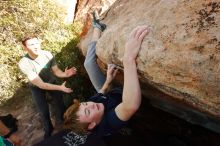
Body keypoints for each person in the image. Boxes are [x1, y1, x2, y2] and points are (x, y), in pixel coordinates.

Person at [64, 12, 149, 137]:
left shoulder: (93, 105)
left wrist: (108, 80)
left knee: (88, 64)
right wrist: (128, 59)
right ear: (92, 124)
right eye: (88, 111)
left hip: (112, 92)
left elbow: (100, 94)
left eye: (85, 104)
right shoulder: (109, 122)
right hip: (124, 99)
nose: (91, 105)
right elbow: (130, 106)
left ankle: (97, 27)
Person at [18, 35, 77, 138]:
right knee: (43, 110)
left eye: (37, 43)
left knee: (60, 104)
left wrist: (65, 74)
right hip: (36, 87)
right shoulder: (24, 63)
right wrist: (60, 88)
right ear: (25, 47)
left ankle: (64, 122)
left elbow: (56, 71)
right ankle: (48, 129)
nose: (36, 46)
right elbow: (41, 85)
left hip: (51, 81)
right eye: (31, 44)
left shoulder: (47, 54)